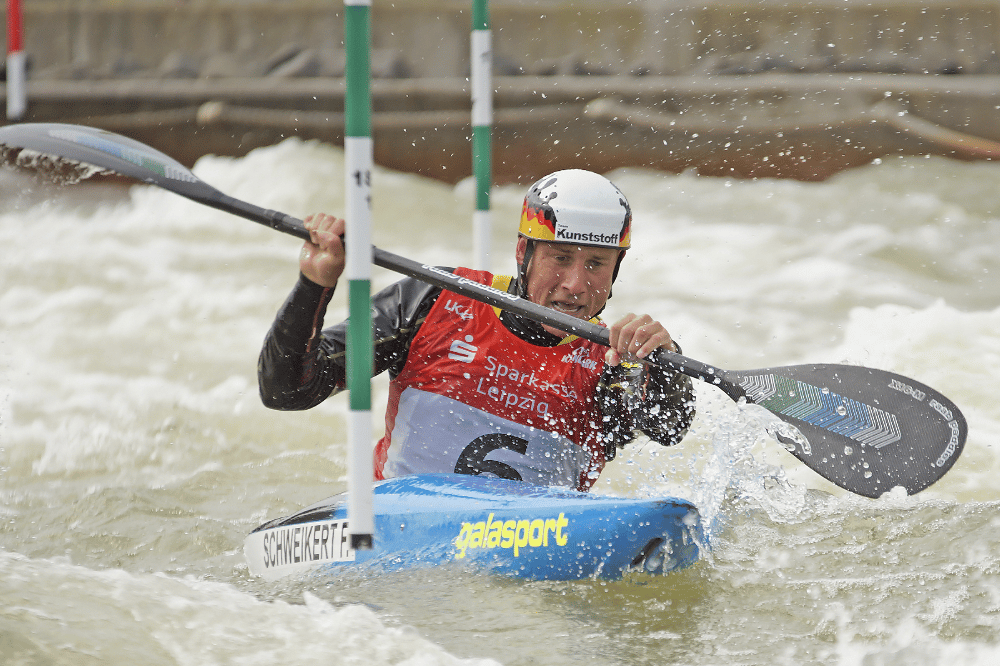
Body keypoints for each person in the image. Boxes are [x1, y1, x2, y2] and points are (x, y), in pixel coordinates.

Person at [258, 169, 695, 491]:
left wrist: (663, 362)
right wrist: (314, 285)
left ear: (617, 268)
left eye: (596, 264)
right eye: (560, 258)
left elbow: (669, 428)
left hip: (532, 557)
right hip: (401, 532)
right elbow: (286, 391)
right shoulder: (435, 299)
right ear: (523, 252)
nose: (576, 285)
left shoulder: (614, 361)